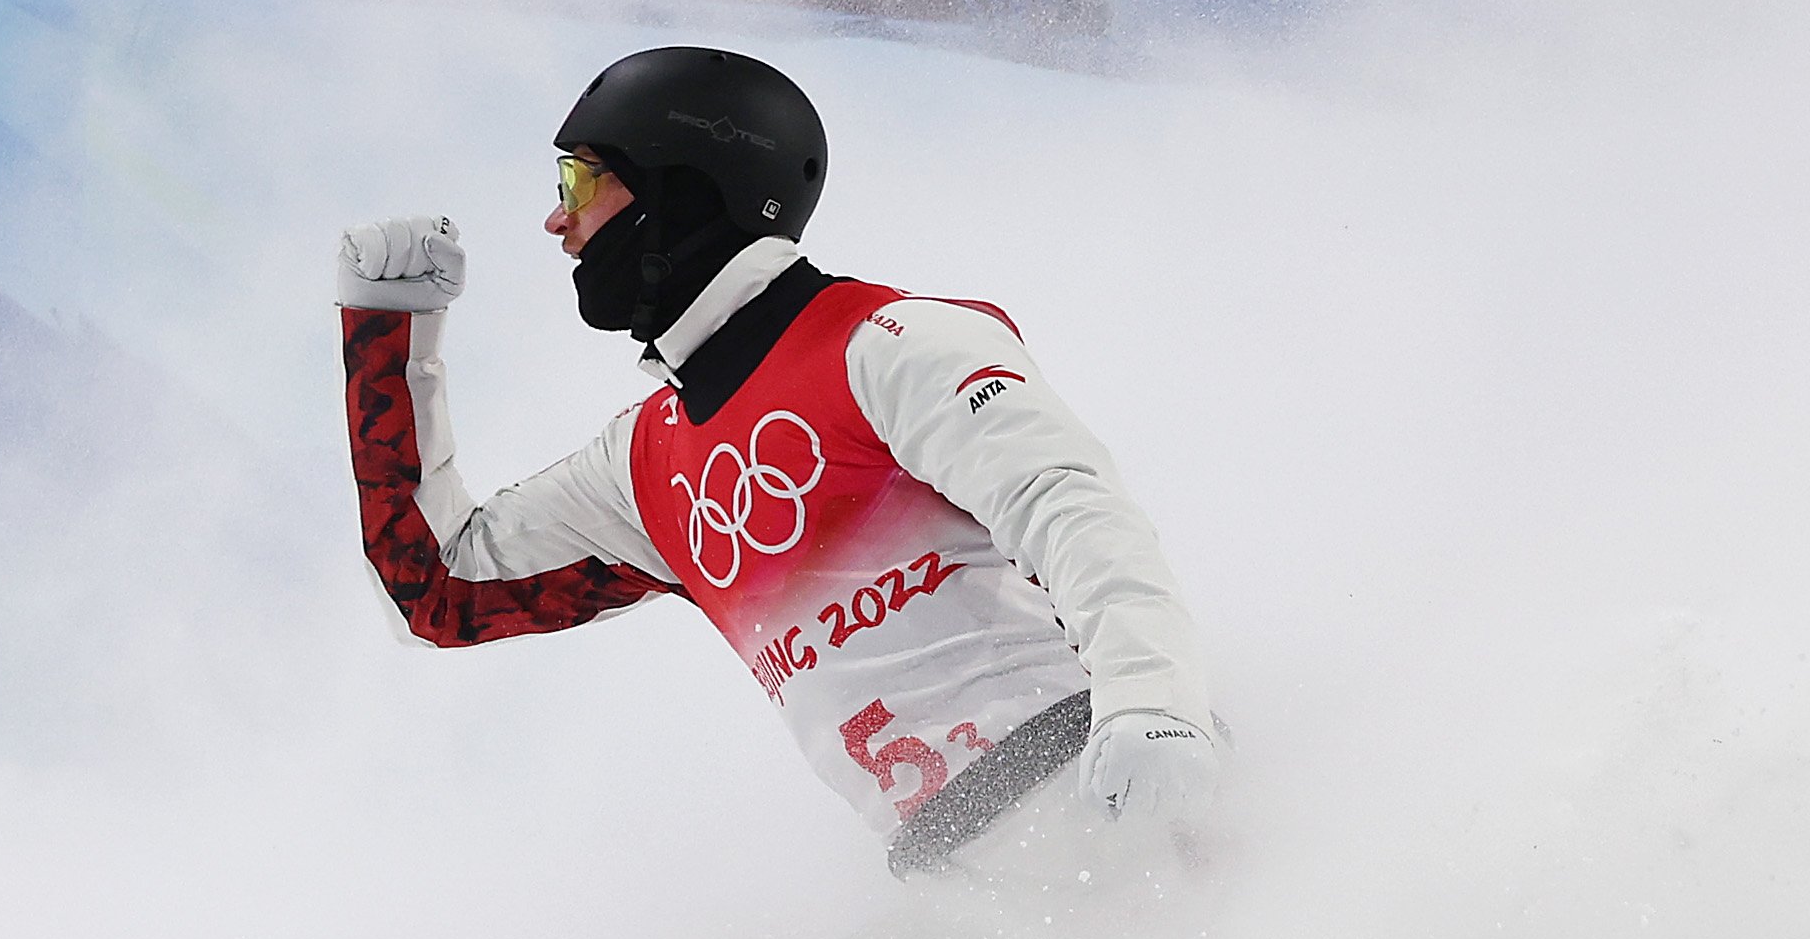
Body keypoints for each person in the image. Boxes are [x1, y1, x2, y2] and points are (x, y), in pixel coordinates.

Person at [333, 46, 1219, 892]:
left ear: (681, 191)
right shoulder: (643, 466)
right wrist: (387, 329)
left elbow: (1068, 504)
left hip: (1104, 791)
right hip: (967, 877)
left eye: (579, 179)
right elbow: (438, 593)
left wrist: (1151, 700)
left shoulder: (886, 343)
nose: (556, 220)